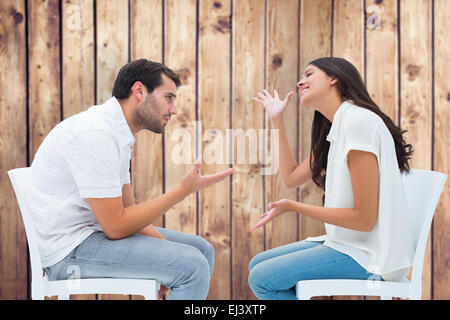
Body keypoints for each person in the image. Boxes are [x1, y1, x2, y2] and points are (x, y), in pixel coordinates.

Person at [30, 59, 234, 300]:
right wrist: (182, 191)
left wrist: (166, 257)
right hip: (67, 252)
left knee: (201, 250)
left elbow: (128, 212)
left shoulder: (117, 133)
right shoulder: (97, 134)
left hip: (92, 234)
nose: (174, 110)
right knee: (192, 266)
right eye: (168, 97)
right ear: (139, 91)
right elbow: (116, 226)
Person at [248, 57, 415, 300]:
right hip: (348, 245)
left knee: (262, 278)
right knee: (258, 264)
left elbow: (365, 219)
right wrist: (276, 120)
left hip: (371, 255)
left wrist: (294, 207)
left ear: (333, 77)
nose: (300, 81)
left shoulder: (358, 122)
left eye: (309, 74)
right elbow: (290, 178)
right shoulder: (338, 126)